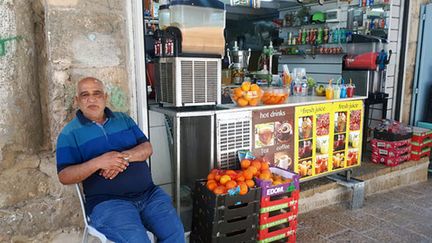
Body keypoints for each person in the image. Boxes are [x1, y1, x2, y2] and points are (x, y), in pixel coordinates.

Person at [56, 77, 185, 243]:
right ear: (77, 100)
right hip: (109, 203)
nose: (92, 99)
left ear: (105, 97)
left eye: (97, 93)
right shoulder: (69, 134)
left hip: (149, 195)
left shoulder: (123, 119)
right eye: (84, 95)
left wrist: (120, 158)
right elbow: (64, 176)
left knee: (175, 234)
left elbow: (147, 149)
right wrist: (98, 162)